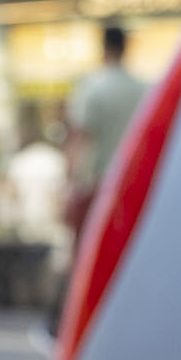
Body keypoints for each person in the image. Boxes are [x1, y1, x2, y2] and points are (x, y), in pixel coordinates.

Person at [64, 23, 147, 235]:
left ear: (103, 48)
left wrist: (69, 186)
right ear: (125, 48)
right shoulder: (143, 88)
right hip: (133, 185)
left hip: (98, 187)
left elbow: (80, 139)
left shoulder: (91, 87)